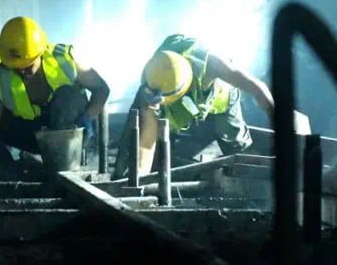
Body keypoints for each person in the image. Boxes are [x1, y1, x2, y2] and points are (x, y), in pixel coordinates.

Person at [112, 33, 308, 178]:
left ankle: (249, 171)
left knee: (236, 147)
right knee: (155, 146)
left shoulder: (212, 64)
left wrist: (281, 124)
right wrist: (138, 179)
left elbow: (258, 89)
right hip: (183, 111)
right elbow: (146, 143)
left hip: (222, 103)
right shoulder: (154, 82)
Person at [0, 17, 110, 181]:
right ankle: (14, 174)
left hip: (70, 133)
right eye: (16, 67)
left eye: (28, 66)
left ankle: (66, 168)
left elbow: (102, 89)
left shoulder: (65, 59)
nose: (22, 72)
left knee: (67, 96)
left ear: (40, 53)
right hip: (34, 135)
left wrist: (88, 119)